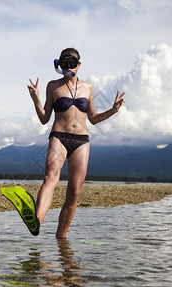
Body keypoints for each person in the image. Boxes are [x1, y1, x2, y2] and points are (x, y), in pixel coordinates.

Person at [27, 48, 124, 239]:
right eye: (65, 63)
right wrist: (36, 99)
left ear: (79, 65)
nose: (68, 67)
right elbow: (44, 118)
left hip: (81, 141)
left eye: (72, 63)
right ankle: (36, 222)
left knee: (74, 192)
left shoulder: (88, 87)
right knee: (50, 177)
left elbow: (94, 118)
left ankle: (61, 239)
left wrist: (113, 110)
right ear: (59, 65)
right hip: (59, 137)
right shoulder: (53, 86)